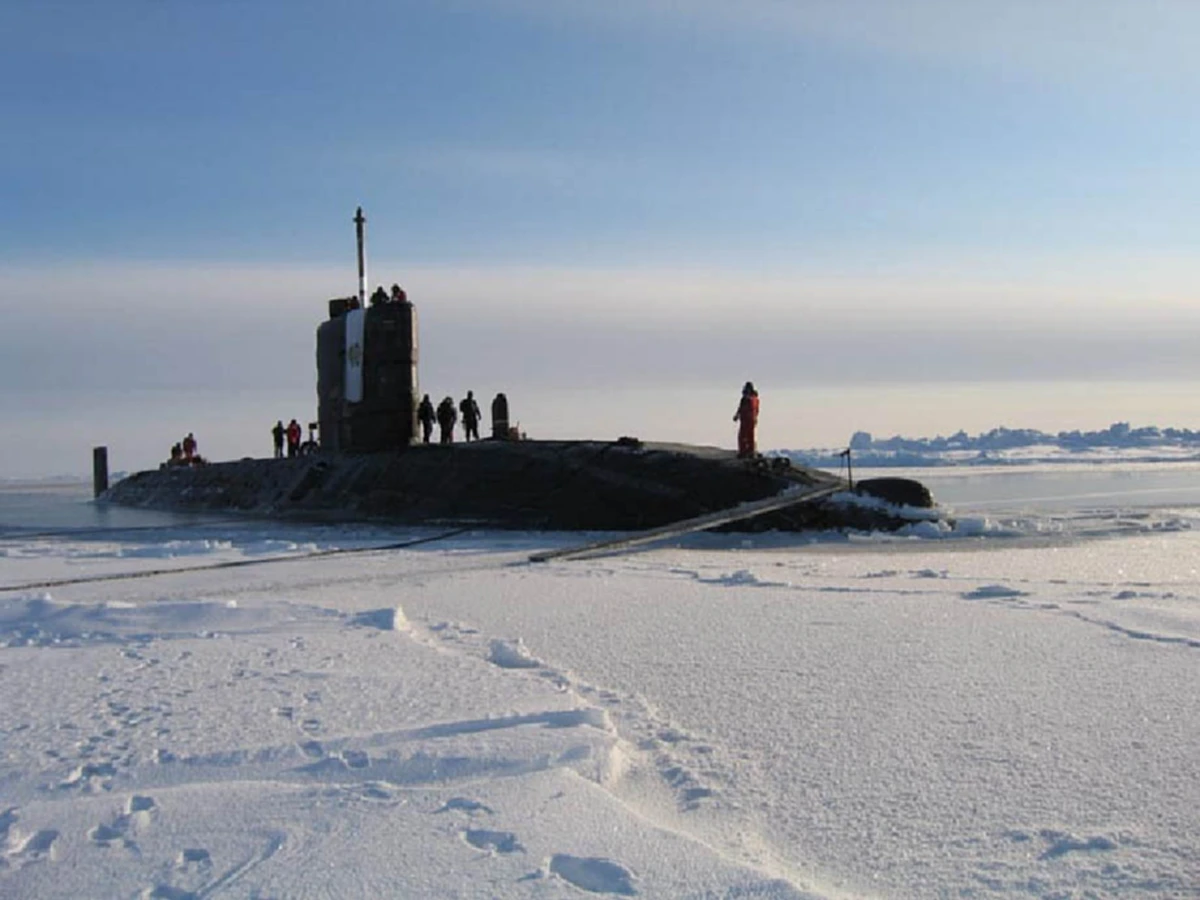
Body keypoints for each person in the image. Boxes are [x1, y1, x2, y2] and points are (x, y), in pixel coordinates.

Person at [733, 381, 759, 459]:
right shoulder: (755, 399)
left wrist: (737, 415)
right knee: (750, 436)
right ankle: (750, 451)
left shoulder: (747, 399)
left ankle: (744, 451)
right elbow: (756, 410)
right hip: (751, 419)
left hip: (746, 419)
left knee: (743, 436)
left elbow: (742, 408)